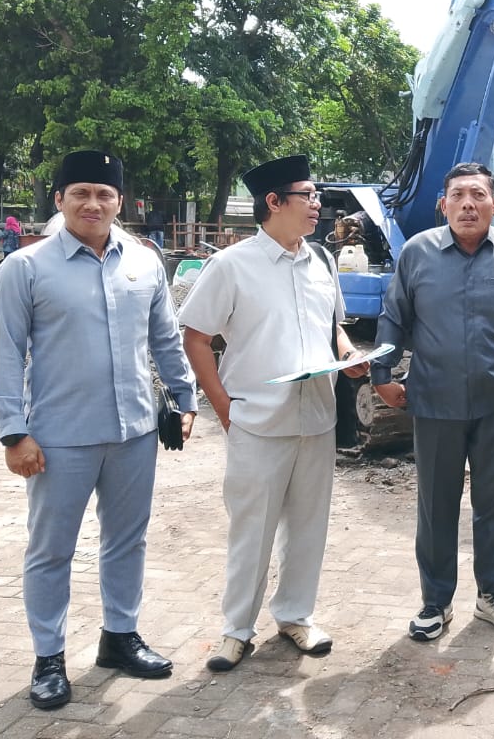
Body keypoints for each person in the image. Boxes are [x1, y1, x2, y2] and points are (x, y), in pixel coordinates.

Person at [0, 150, 198, 711]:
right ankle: (49, 658)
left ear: (119, 202)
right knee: (51, 550)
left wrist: (183, 397)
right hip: (58, 436)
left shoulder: (144, 263)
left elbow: (164, 337)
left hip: (133, 432)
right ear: (58, 199)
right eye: (80, 191)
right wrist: (13, 433)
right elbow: (7, 356)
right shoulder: (26, 269)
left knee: (127, 540)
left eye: (104, 194)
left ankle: (119, 638)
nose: (93, 203)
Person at [178, 155, 368, 672]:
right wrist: (222, 407)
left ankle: (295, 616)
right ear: (274, 202)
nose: (317, 205)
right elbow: (195, 335)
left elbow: (334, 327)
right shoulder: (232, 265)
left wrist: (348, 356)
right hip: (256, 422)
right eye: (307, 195)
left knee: (309, 526)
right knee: (251, 530)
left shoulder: (323, 262)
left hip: (317, 418)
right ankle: (235, 630)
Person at [371, 162, 494, 642]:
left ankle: (493, 594)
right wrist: (381, 373)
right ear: (443, 204)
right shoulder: (417, 254)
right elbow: (393, 317)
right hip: (434, 401)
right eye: (458, 195)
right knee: (436, 505)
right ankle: (436, 601)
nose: (468, 204)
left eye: (478, 195)